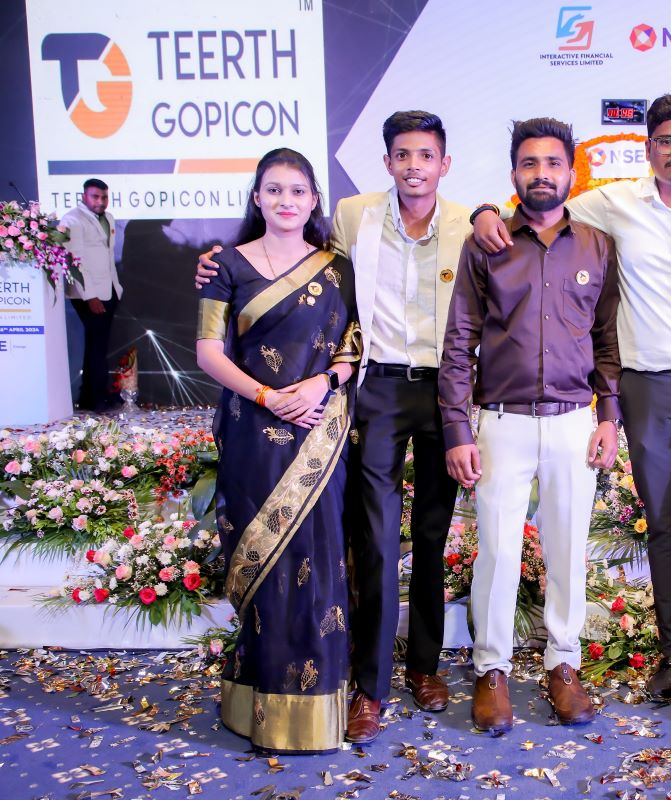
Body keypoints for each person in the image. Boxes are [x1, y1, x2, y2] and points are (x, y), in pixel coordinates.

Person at [472, 94, 671, 730]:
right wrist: (483, 212)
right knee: (664, 525)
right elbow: (540, 206)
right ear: (648, 148)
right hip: (647, 389)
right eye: (666, 141)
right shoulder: (610, 205)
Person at [196, 112, 470, 743]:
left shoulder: (470, 222)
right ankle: (370, 686)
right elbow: (339, 316)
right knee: (375, 539)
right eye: (402, 155)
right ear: (387, 161)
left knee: (432, 534)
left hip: (445, 390)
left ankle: (424, 667)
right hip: (376, 390)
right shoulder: (354, 217)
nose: (414, 166)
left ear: (444, 163)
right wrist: (213, 265)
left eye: (426, 155)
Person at [441, 117, 620, 734]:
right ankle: (491, 669)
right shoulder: (486, 244)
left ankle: (563, 664)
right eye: (529, 163)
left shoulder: (597, 245)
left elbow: (606, 340)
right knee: (497, 551)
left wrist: (609, 416)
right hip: (502, 422)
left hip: (573, 422)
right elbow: (459, 340)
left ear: (572, 172)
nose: (541, 174)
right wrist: (458, 429)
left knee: (568, 548)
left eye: (552, 163)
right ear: (513, 172)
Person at [196, 148, 360, 753]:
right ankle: (257, 701)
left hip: (319, 430)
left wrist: (323, 383)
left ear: (314, 200)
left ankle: (316, 709)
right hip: (252, 431)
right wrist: (268, 396)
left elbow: (354, 344)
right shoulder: (225, 265)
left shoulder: (339, 269)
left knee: (319, 559)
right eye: (274, 190)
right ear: (257, 198)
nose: (286, 200)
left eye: (297, 191)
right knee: (264, 562)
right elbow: (208, 352)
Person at [63, 178, 122, 411]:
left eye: (104, 197)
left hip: (109, 288)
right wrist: (89, 296)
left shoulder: (109, 218)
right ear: (84, 197)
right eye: (95, 196)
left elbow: (106, 255)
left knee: (98, 345)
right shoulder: (73, 220)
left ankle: (92, 396)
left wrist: (115, 288)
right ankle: (97, 398)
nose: (101, 201)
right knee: (97, 347)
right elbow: (75, 261)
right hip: (87, 294)